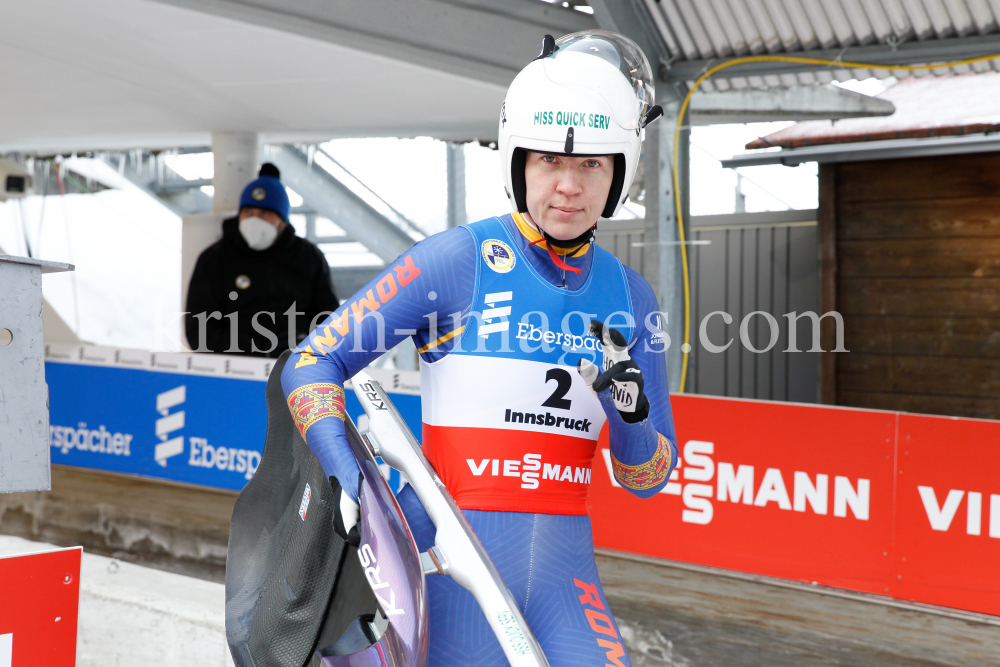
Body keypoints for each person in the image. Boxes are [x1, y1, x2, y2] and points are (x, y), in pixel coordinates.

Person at [282, 30, 677, 666]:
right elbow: (310, 363)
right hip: (446, 567)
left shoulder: (633, 299)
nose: (569, 186)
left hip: (564, 583)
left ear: (619, 174)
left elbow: (648, 478)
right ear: (517, 164)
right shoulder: (458, 260)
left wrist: (632, 422)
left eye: (591, 164)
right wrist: (343, 469)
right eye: (549, 161)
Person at [185, 163, 339, 358]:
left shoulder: (308, 258)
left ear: (282, 220)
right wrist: (256, 349)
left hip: (295, 370)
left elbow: (329, 324)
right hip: (232, 373)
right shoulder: (215, 259)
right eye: (248, 212)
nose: (254, 220)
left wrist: (298, 349)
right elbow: (199, 331)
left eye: (265, 214)